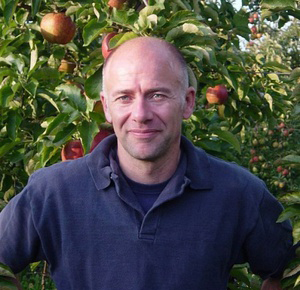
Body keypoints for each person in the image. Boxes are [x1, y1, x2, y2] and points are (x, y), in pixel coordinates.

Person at [0, 37, 297, 290]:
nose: (140, 114)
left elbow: (285, 271)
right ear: (106, 107)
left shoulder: (240, 193)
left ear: (188, 102)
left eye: (157, 95)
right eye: (124, 97)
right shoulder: (51, 191)